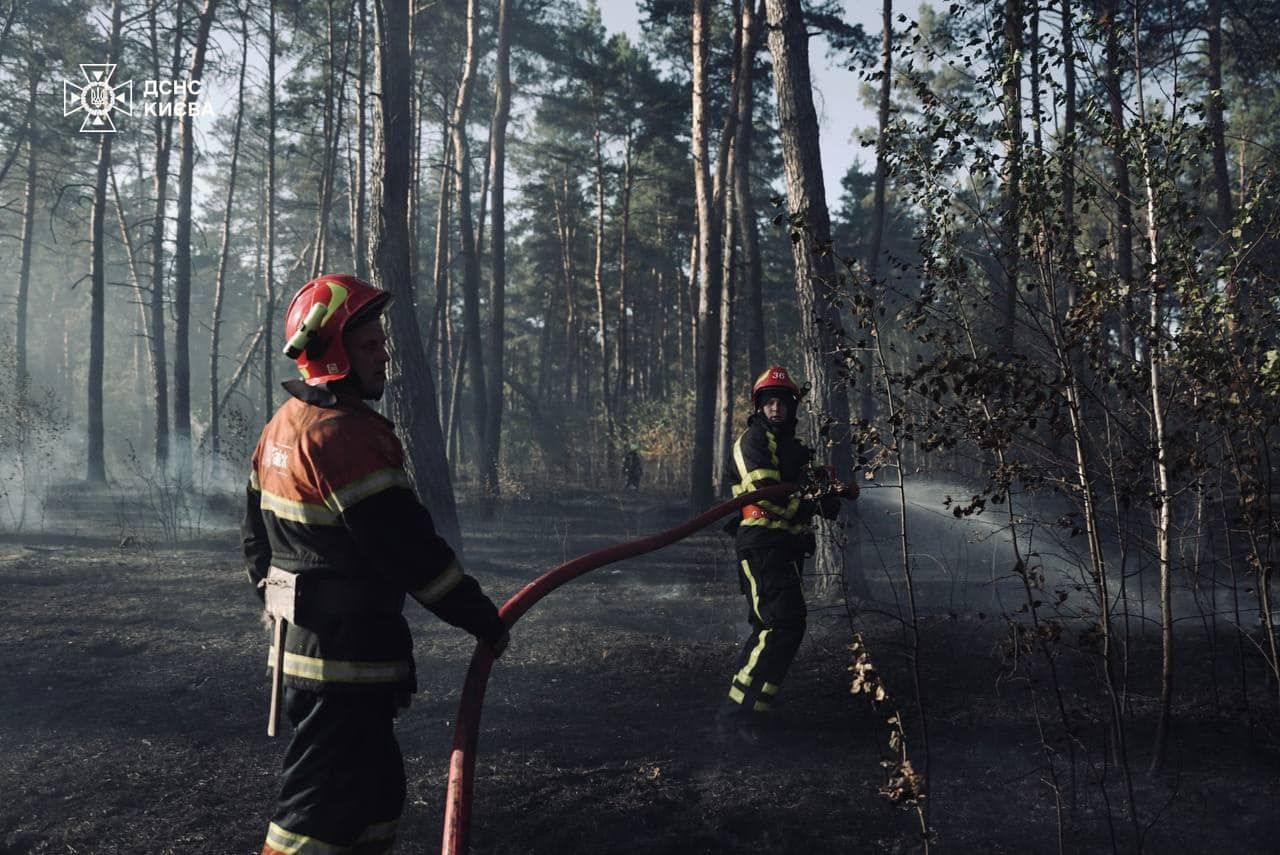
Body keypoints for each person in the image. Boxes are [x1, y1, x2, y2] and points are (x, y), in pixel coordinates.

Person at [242, 274, 510, 855]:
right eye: (369, 345)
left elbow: (254, 541)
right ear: (335, 354)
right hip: (344, 664)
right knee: (311, 821)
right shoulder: (345, 438)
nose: (384, 353)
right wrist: (480, 616)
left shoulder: (282, 426)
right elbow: (409, 550)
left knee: (374, 803)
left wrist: (277, 601)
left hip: (311, 654)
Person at [718, 365, 855, 742]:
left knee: (788, 628)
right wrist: (811, 503)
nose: (776, 408)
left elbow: (810, 491)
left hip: (787, 549)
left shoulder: (795, 450)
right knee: (775, 627)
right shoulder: (751, 442)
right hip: (760, 547)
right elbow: (768, 494)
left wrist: (830, 493)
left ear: (792, 408)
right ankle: (735, 718)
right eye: (769, 402)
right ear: (759, 407)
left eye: (782, 402)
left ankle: (756, 713)